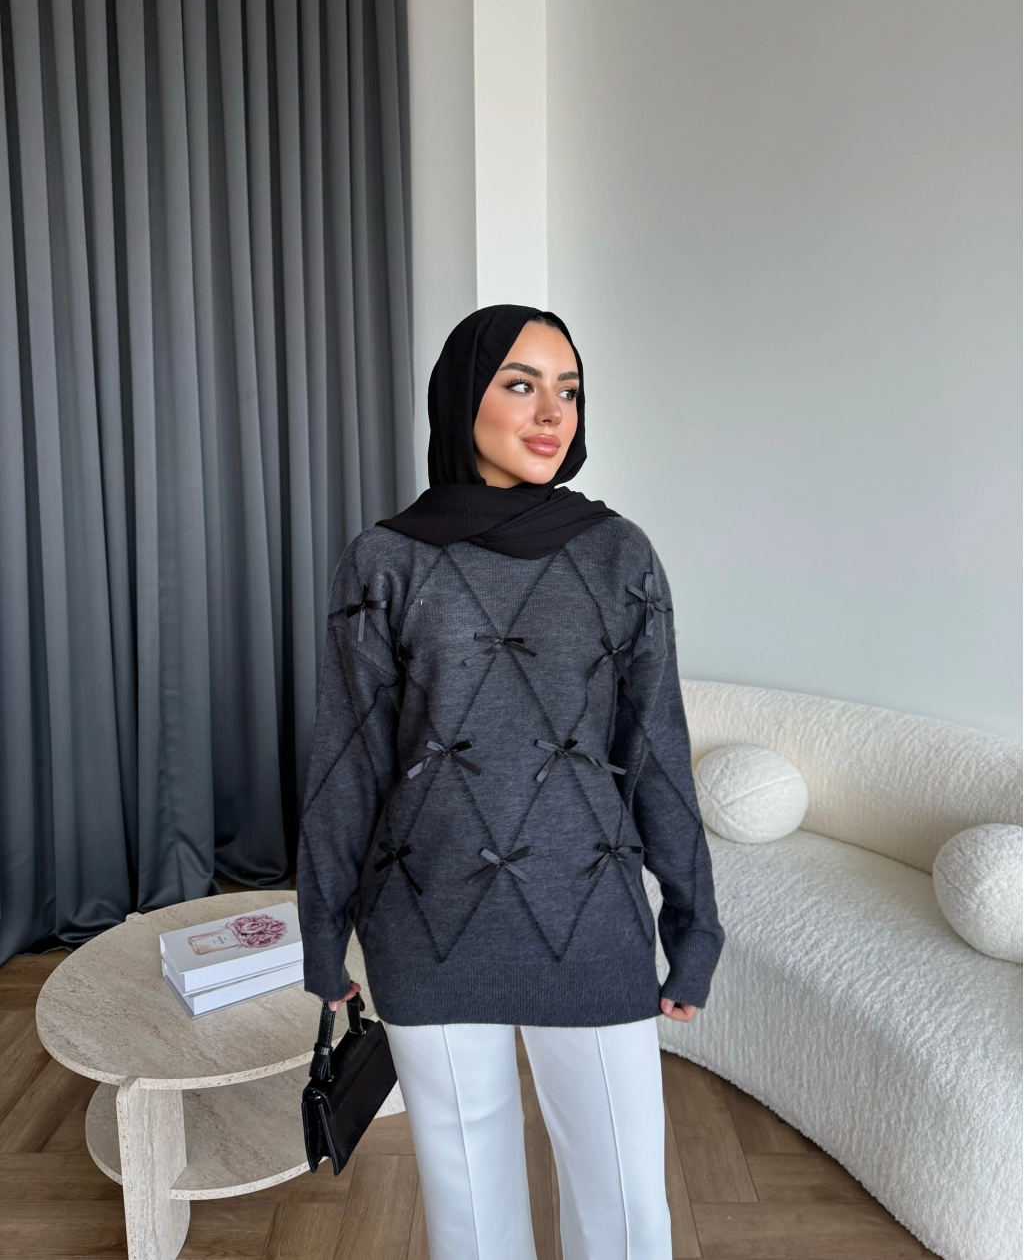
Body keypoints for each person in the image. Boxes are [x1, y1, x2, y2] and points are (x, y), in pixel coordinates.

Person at [296, 304, 725, 1260]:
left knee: (627, 1215)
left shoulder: (620, 553)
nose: (552, 412)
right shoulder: (385, 559)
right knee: (472, 1216)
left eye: (568, 389)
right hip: (425, 920)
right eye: (520, 385)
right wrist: (322, 933)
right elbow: (348, 762)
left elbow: (656, 749)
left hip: (593, 918)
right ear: (463, 399)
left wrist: (694, 926)